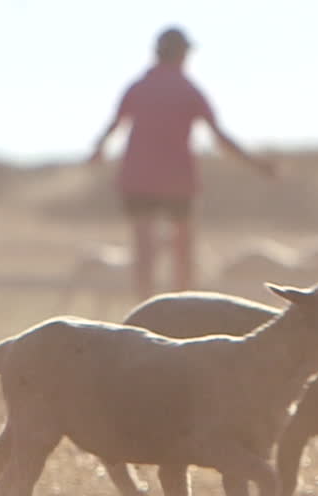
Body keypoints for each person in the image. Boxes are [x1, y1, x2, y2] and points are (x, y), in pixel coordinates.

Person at [90, 27, 275, 300]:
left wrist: (97, 151)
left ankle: (146, 310)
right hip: (178, 181)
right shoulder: (188, 90)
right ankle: (180, 311)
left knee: (145, 252)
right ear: (183, 54)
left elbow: (114, 126)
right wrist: (255, 164)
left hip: (139, 178)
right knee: (182, 253)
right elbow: (219, 137)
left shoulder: (139, 87)